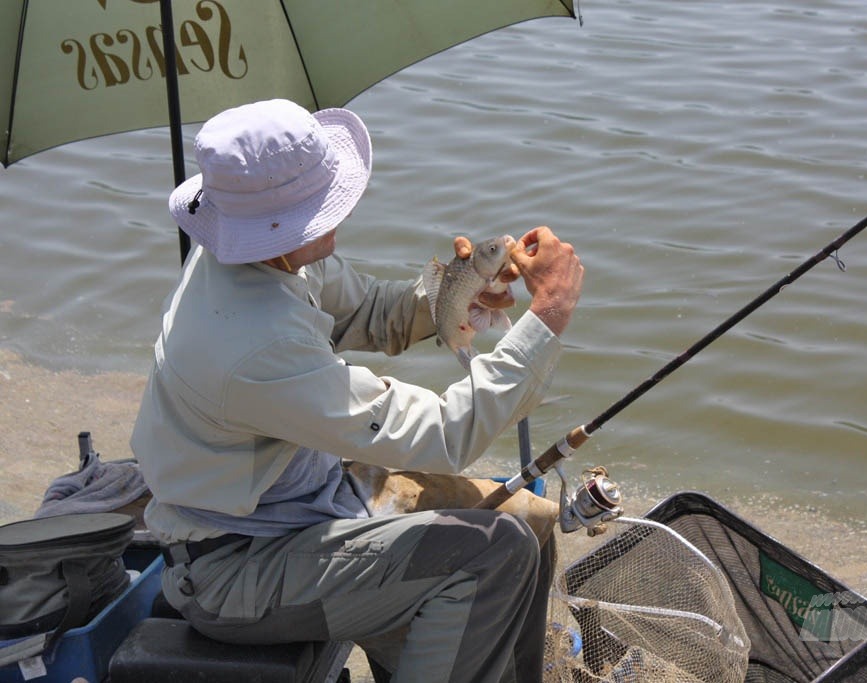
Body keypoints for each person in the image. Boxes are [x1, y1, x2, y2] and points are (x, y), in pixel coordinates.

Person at [130, 98, 584, 682]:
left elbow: (369, 309)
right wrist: (548, 314)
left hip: (300, 499)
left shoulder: (263, 256)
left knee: (533, 522)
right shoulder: (254, 342)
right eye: (324, 205)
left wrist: (457, 294)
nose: (338, 215)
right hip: (234, 567)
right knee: (496, 552)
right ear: (276, 225)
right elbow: (445, 433)